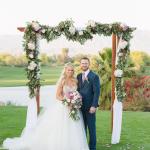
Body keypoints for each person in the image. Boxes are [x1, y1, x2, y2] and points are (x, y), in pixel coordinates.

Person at [2, 62, 89, 150]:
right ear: (65, 70)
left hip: (73, 107)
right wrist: (67, 101)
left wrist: (75, 101)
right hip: (63, 107)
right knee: (61, 128)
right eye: (68, 70)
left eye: (72, 70)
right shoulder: (62, 81)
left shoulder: (75, 80)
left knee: (73, 128)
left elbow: (76, 93)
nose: (70, 71)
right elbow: (58, 96)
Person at [77, 57, 100, 150]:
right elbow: (77, 90)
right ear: (80, 64)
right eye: (82, 63)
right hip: (79, 107)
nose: (84, 65)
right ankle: (83, 146)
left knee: (91, 129)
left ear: (89, 64)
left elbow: (97, 92)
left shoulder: (94, 76)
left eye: (86, 63)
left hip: (90, 108)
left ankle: (92, 148)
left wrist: (94, 106)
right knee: (82, 129)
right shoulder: (78, 76)